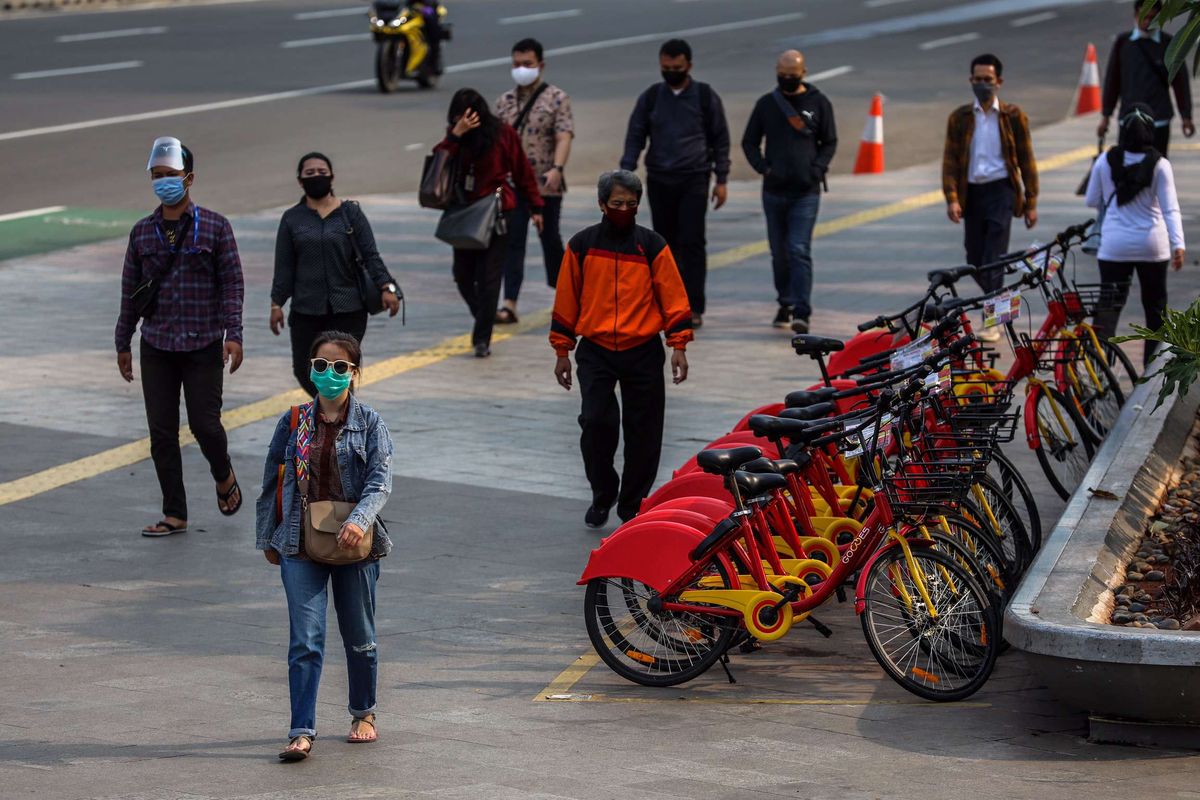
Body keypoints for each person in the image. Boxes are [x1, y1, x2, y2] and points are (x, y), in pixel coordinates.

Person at [255, 330, 395, 762]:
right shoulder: (294, 421)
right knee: (305, 640)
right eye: (321, 365)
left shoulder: (371, 422)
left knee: (360, 637)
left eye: (339, 367)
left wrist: (358, 519)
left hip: (356, 546)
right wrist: (268, 536)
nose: (329, 374)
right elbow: (272, 481)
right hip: (299, 542)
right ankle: (301, 729)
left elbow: (379, 481)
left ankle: (363, 713)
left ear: (354, 373)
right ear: (310, 370)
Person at [115, 136, 245, 537]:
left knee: (205, 424)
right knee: (161, 433)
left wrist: (234, 333)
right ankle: (175, 513)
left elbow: (232, 284)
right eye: (157, 176)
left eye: (170, 175)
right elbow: (130, 291)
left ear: (189, 179)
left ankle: (223, 474)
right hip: (156, 345)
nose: (163, 182)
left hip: (203, 343)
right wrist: (123, 341)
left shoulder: (216, 227)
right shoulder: (142, 233)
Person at [551, 170, 693, 528]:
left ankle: (632, 503)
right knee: (596, 423)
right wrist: (562, 352)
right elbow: (567, 300)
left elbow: (673, 297)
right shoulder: (582, 246)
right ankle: (603, 492)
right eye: (617, 204)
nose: (624, 210)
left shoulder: (652, 246)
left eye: (631, 204)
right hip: (595, 349)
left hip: (643, 349)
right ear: (602, 205)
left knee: (644, 431)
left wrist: (678, 346)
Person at [621, 38, 731, 329]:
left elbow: (720, 140)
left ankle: (694, 306)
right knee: (663, 245)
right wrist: (625, 174)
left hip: (694, 178)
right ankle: (666, 303)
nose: (671, 71)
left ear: (689, 66)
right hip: (659, 178)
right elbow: (636, 136)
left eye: (677, 67)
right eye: (665, 67)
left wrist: (721, 179)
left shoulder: (705, 97)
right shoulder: (652, 97)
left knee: (692, 242)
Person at [271, 152, 401, 395]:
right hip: (306, 310)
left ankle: (340, 426)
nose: (317, 176)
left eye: (322, 172)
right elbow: (284, 266)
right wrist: (276, 303)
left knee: (340, 372)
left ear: (332, 177)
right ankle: (333, 415)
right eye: (310, 173)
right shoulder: (292, 219)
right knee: (305, 370)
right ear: (300, 180)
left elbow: (371, 255)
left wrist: (387, 287)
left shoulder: (350, 213)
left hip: (348, 309)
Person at [434, 89, 544, 358]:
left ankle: (482, 338)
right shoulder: (456, 137)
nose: (465, 120)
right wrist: (455, 135)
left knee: (489, 278)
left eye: (469, 115)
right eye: (459, 116)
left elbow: (522, 172)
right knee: (462, 275)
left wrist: (536, 206)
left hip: (497, 213)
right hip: (465, 215)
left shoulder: (502, 134)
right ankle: (484, 315)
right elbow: (438, 163)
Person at [942, 53, 1038, 341]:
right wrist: (952, 198)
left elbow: (1027, 159)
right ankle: (1002, 300)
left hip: (1002, 191)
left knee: (993, 257)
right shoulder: (960, 118)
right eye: (978, 79)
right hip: (972, 193)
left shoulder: (1013, 117)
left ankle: (992, 322)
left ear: (999, 82)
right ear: (970, 81)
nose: (983, 84)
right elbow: (949, 162)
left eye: (988, 80)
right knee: (974, 256)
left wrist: (1031, 202)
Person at [742, 49, 838, 334]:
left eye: (792, 75)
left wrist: (817, 168)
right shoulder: (766, 104)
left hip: (806, 192)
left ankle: (802, 311)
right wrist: (763, 168)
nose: (786, 79)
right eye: (782, 75)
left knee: (798, 249)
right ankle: (784, 301)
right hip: (773, 191)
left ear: (803, 73)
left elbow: (829, 141)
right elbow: (749, 142)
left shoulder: (819, 103)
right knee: (779, 253)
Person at [1085, 103, 1184, 367]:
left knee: (1108, 307)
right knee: (1155, 310)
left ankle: (1100, 367)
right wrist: (1178, 244)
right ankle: (1151, 370)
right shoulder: (1160, 165)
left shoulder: (1106, 161)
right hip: (1153, 245)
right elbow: (1170, 208)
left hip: (1114, 246)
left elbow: (1091, 199)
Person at [493, 37, 575, 325]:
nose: (521, 69)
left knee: (550, 240)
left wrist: (557, 168)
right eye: (516, 64)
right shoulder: (504, 103)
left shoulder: (557, 98)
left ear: (540, 65)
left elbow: (564, 135)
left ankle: (567, 297)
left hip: (546, 184)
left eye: (527, 64)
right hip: (513, 187)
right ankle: (510, 303)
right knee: (512, 243)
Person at [1099, 0, 1194, 157]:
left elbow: (1180, 83)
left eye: (1152, 17)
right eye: (1144, 16)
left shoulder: (1169, 44)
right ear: (1136, 15)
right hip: (1128, 120)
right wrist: (1105, 116)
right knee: (1127, 169)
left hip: (1159, 121)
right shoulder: (1123, 43)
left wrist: (1186, 116)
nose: (1148, 21)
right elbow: (1112, 82)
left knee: (1158, 167)